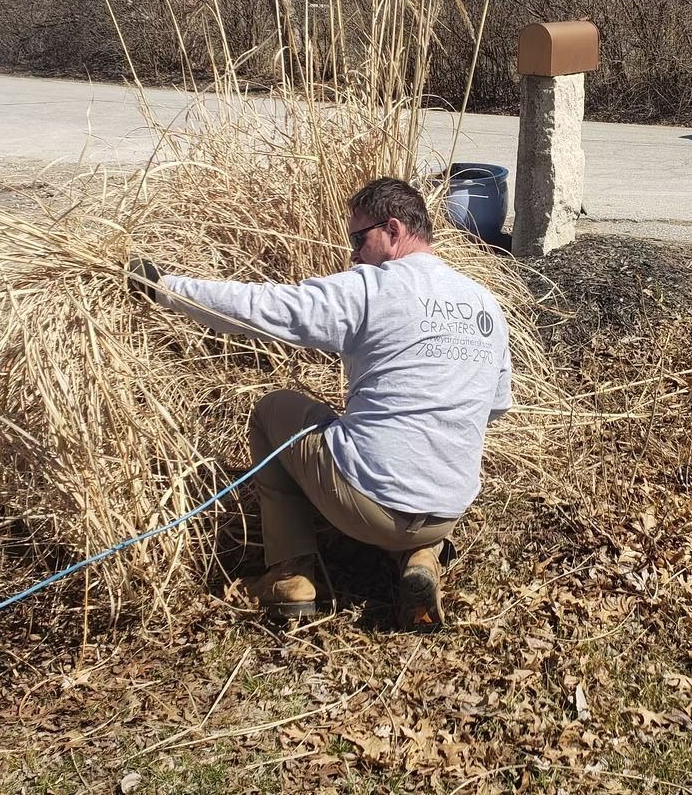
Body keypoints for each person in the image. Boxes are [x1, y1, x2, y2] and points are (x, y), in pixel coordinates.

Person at [127, 177, 513, 627]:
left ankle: (289, 575)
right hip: (445, 514)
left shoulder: (370, 288)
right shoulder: (485, 304)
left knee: (274, 410)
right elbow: (494, 408)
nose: (352, 253)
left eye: (358, 238)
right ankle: (421, 557)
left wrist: (166, 289)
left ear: (392, 230)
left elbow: (266, 308)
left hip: (369, 510)